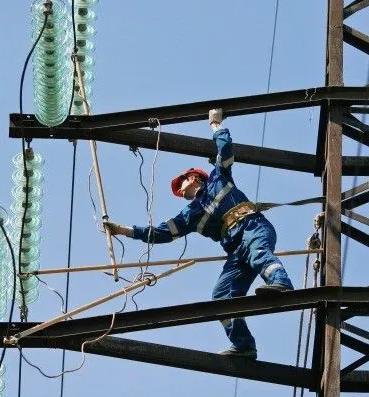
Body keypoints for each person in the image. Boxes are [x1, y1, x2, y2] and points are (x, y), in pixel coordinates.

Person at [104, 108, 294, 359]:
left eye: (181, 182)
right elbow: (161, 233)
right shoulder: (190, 215)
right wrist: (125, 231)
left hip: (252, 227)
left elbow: (225, 149)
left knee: (259, 253)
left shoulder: (218, 178)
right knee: (221, 296)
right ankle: (244, 346)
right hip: (236, 249)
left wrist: (215, 124)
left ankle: (281, 283)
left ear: (194, 178)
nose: (179, 188)